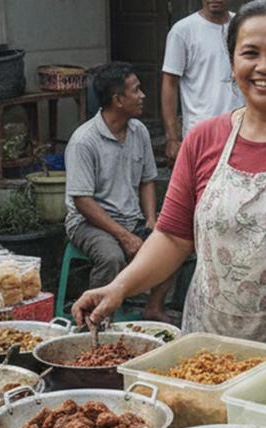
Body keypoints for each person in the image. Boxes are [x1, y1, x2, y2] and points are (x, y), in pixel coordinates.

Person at [73, 0, 266, 358]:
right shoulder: (203, 139)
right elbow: (173, 238)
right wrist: (119, 287)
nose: (264, 66)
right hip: (211, 350)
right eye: (250, 53)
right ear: (232, 62)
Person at [64, 62, 174, 322]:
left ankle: (154, 307)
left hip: (131, 218)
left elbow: (148, 180)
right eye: (136, 91)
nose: (143, 96)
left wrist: (151, 219)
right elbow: (82, 201)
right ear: (117, 100)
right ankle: (95, 320)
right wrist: (125, 237)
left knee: (172, 246)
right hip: (88, 222)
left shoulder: (139, 131)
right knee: (111, 256)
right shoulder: (84, 141)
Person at [161, 0, 246, 163]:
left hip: (243, 129)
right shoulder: (183, 31)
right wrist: (172, 137)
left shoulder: (244, 26)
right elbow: (170, 83)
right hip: (201, 132)